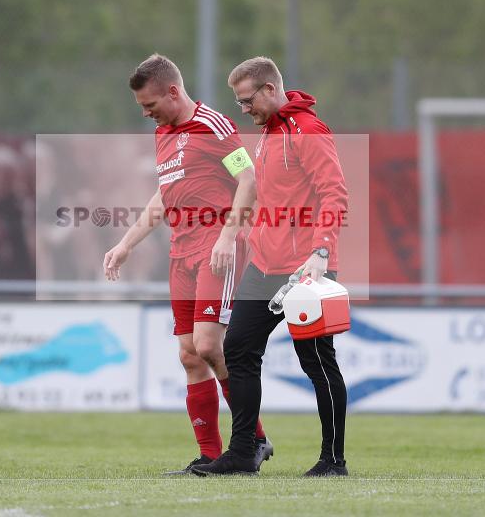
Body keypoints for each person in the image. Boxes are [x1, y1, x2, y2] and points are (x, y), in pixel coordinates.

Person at [103, 54, 272, 474]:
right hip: (181, 253)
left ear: (173, 92)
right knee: (190, 356)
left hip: (216, 249)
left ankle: (251, 441)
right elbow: (165, 196)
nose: (146, 113)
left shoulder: (212, 125)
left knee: (209, 346)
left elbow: (248, 178)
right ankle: (212, 454)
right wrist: (126, 244)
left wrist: (228, 236)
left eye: (150, 105)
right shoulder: (163, 133)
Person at [192, 57, 350, 477]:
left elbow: (334, 193)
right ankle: (245, 451)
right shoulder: (269, 133)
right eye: (239, 103)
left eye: (248, 101)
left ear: (269, 89)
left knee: (317, 362)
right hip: (263, 267)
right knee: (238, 348)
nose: (245, 109)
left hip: (305, 269)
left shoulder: (308, 130)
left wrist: (321, 252)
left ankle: (333, 460)